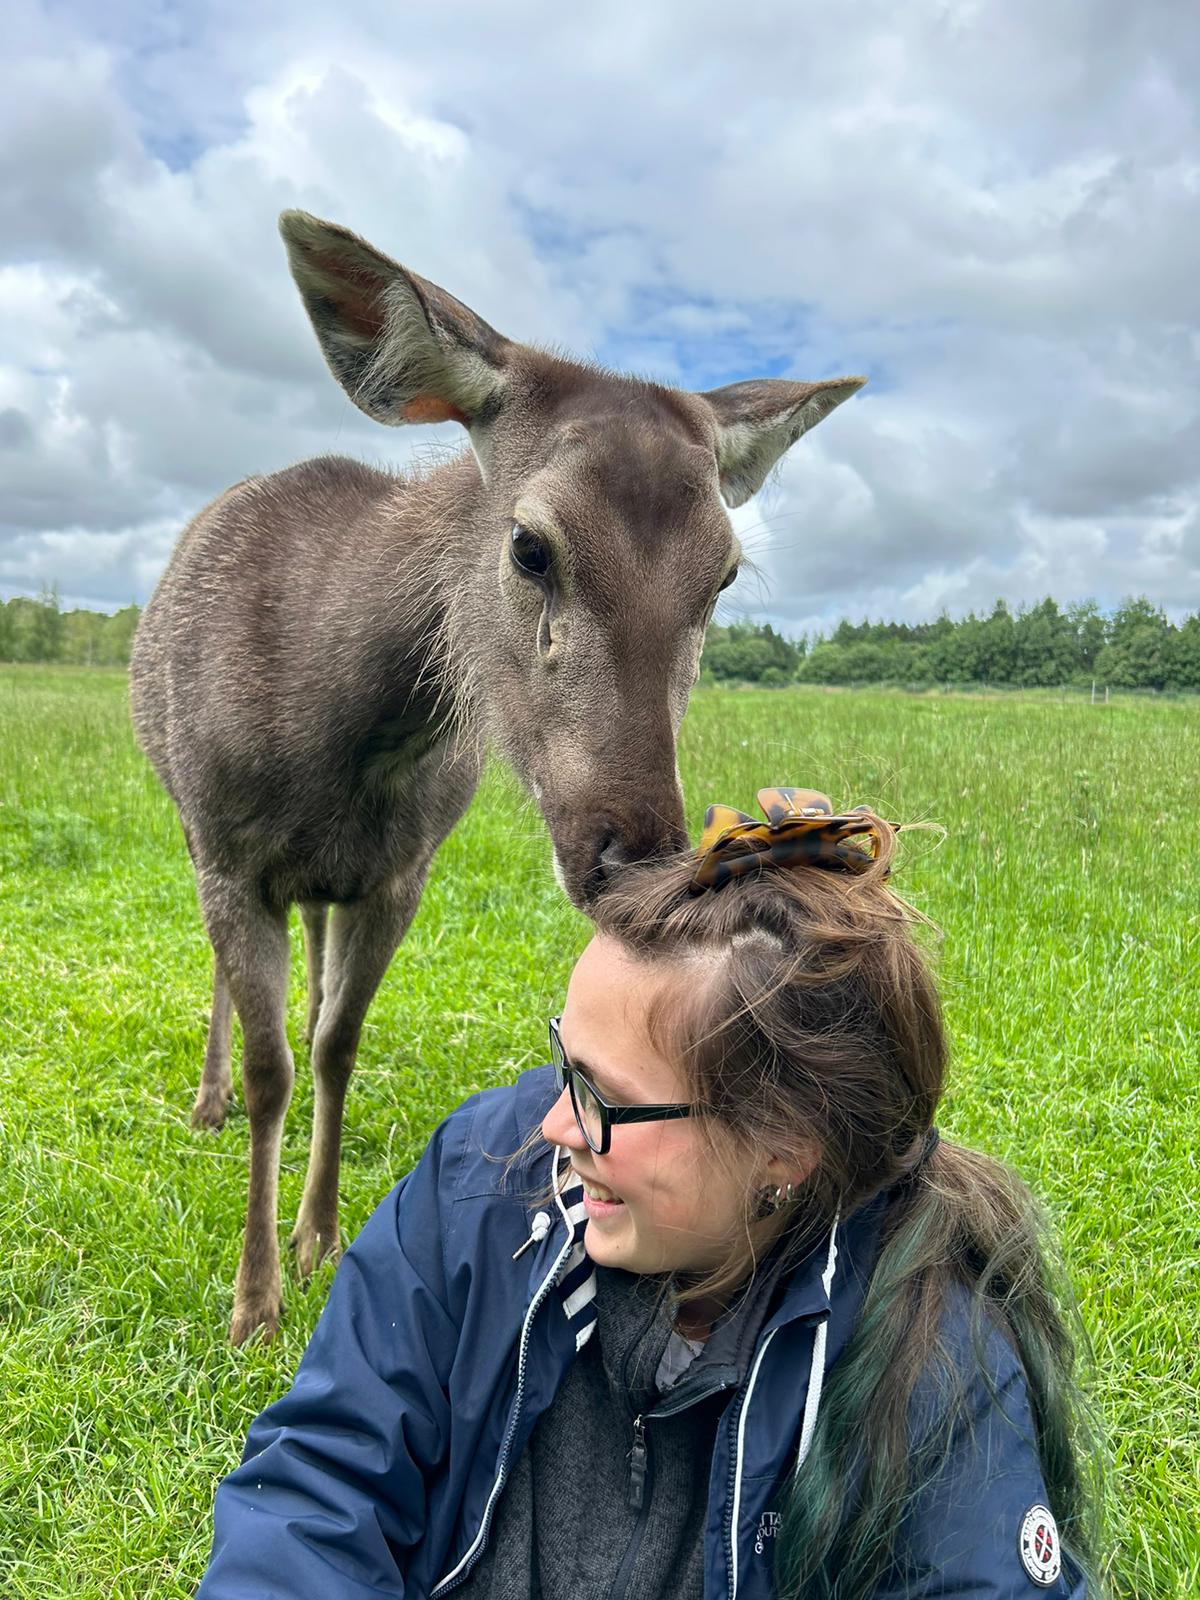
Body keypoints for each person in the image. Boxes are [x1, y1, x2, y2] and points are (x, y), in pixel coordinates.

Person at [196, 788, 1099, 1599]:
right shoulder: (479, 1182)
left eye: (607, 1099)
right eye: (564, 1062)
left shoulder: (930, 1365)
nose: (550, 1125)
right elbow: (321, 1480)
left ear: (784, 1150)